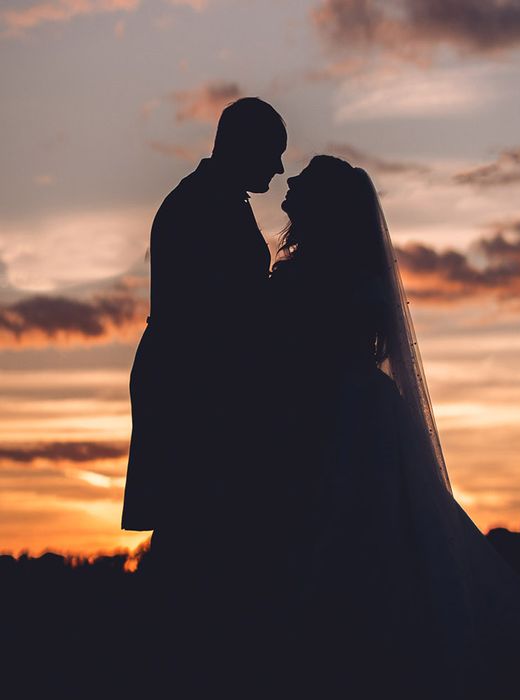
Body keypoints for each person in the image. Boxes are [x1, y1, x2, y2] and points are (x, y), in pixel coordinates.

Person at [269, 156, 520, 699]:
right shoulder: (349, 274)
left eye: (305, 178)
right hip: (357, 415)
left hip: (334, 422)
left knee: (348, 543)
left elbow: (301, 356)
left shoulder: (316, 277)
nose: (291, 181)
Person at [121, 98, 287, 692]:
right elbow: (217, 318)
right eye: (273, 155)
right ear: (243, 145)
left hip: (201, 387)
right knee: (195, 534)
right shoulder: (199, 207)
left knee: (202, 537)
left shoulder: (215, 200)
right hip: (195, 395)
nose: (278, 172)